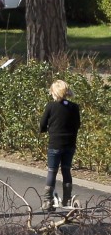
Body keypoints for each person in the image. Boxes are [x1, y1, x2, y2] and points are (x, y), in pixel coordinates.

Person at [39, 79, 81, 211]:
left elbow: (42, 125)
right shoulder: (74, 107)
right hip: (69, 143)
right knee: (66, 170)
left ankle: (47, 200)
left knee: (52, 170)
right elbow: (77, 125)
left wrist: (45, 129)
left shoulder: (51, 106)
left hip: (55, 144)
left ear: (54, 92)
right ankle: (67, 198)